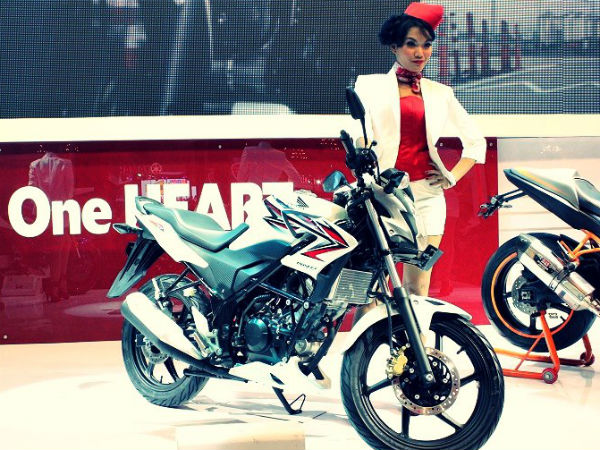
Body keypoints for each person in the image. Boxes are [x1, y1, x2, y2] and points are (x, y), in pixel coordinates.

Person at [351, 2, 486, 308]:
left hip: (427, 199)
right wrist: (364, 154)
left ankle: (415, 339)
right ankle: (368, 339)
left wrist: (451, 177)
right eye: (411, 44)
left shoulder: (441, 93)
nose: (420, 53)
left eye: (426, 45)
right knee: (372, 287)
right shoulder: (368, 86)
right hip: (382, 196)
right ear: (394, 46)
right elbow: (360, 134)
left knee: (418, 287)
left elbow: (475, 143)